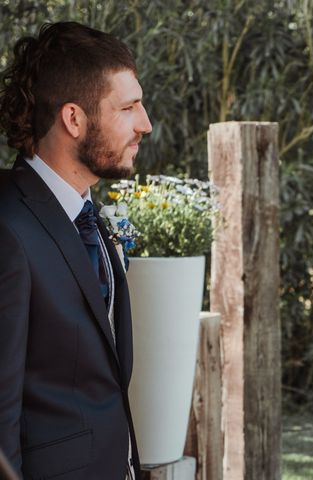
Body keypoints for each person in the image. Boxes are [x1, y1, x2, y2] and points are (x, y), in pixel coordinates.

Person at [0, 22, 152, 479]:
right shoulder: (7, 228)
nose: (145, 124)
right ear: (73, 119)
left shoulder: (88, 216)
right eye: (128, 108)